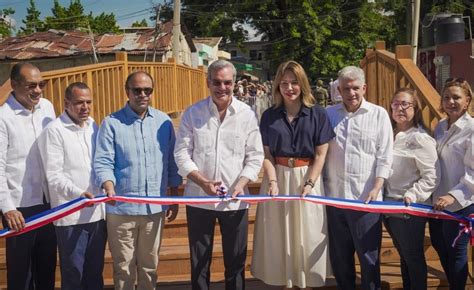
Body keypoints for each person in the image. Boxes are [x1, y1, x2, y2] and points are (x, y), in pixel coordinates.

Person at [174, 60, 264, 290]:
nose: (222, 87)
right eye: (216, 82)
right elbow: (182, 155)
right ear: (208, 83)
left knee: (235, 263)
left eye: (227, 83)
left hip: (235, 202)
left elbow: (255, 156)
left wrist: (241, 184)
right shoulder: (193, 113)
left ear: (234, 83)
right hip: (199, 199)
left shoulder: (246, 115)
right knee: (199, 263)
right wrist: (203, 182)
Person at [94, 71, 182, 290]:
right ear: (127, 92)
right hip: (121, 209)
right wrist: (108, 185)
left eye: (147, 90)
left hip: (154, 209)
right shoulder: (111, 123)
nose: (142, 94)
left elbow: (171, 162)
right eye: (137, 90)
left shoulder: (163, 122)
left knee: (149, 266)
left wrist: (174, 196)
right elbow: (103, 161)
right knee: (123, 268)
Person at [251, 61, 334, 289]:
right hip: (276, 177)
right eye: (284, 83)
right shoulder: (269, 115)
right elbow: (266, 154)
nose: (289, 88)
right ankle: (283, 280)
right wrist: (273, 180)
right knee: (277, 234)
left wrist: (309, 182)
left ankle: (306, 280)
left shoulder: (317, 114)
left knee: (309, 233)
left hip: (307, 177)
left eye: (294, 82)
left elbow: (320, 154)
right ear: (278, 86)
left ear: (302, 84)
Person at [324, 66, 393, 290]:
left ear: (364, 88)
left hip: (366, 199)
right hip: (335, 199)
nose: (351, 93)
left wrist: (377, 185)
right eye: (346, 88)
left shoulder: (378, 114)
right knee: (341, 259)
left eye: (355, 88)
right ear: (339, 90)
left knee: (369, 258)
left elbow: (385, 155)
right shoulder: (328, 114)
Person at [38, 82, 106, 290]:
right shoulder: (54, 131)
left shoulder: (93, 125)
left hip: (97, 214)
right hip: (70, 215)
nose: (84, 107)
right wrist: (79, 195)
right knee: (74, 273)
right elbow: (54, 176)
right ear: (66, 103)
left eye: (88, 102)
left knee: (94, 273)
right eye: (78, 103)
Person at [0, 62, 57, 290]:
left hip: (48, 203)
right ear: (14, 85)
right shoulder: (3, 117)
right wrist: (7, 207)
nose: (38, 91)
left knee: (46, 269)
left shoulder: (47, 108)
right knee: (21, 274)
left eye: (41, 84)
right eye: (31, 85)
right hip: (19, 208)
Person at [383, 88, 439, 290]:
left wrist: (412, 195)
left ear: (416, 109)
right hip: (388, 206)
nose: (400, 108)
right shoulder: (390, 134)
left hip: (408, 209)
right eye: (396, 104)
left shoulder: (421, 139)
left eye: (406, 104)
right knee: (405, 258)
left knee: (413, 258)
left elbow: (431, 176)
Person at [429, 78, 473, 290]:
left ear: (467, 101)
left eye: (456, 97)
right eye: (446, 97)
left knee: (456, 252)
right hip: (437, 202)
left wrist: (453, 196)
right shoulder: (440, 126)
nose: (451, 101)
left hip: (461, 202)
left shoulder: (472, 128)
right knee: (439, 245)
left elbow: (472, 171)